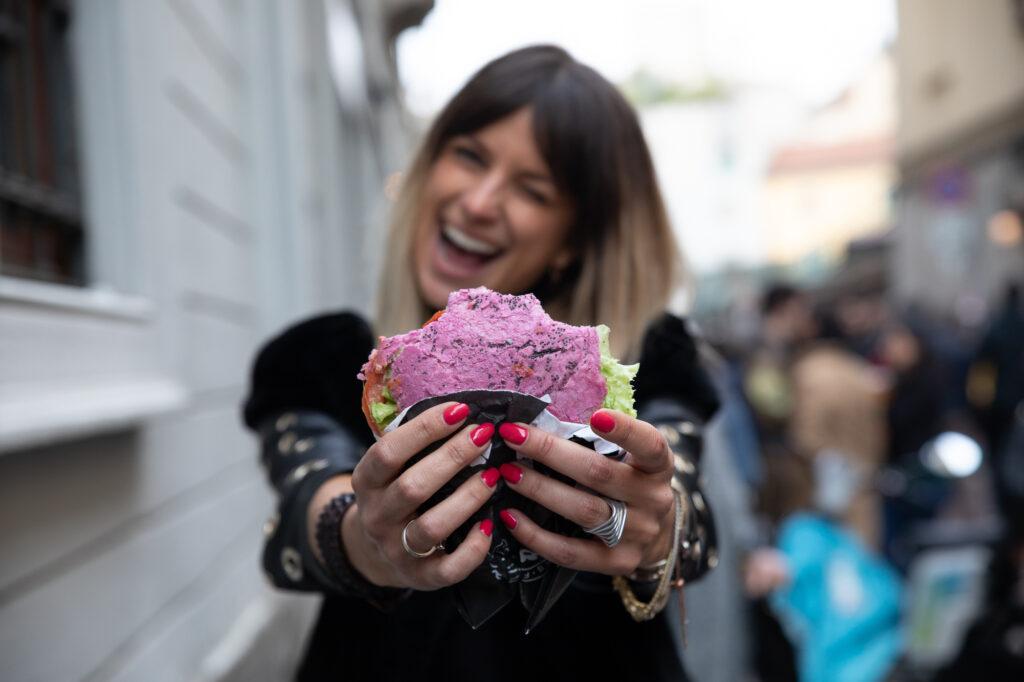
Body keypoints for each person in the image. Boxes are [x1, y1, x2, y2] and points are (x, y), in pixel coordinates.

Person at [242, 45, 720, 681]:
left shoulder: (640, 359)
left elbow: (687, 508)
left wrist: (657, 532)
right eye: (468, 156)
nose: (478, 201)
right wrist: (365, 539)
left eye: (532, 189)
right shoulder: (328, 357)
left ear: (573, 237)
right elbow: (303, 508)